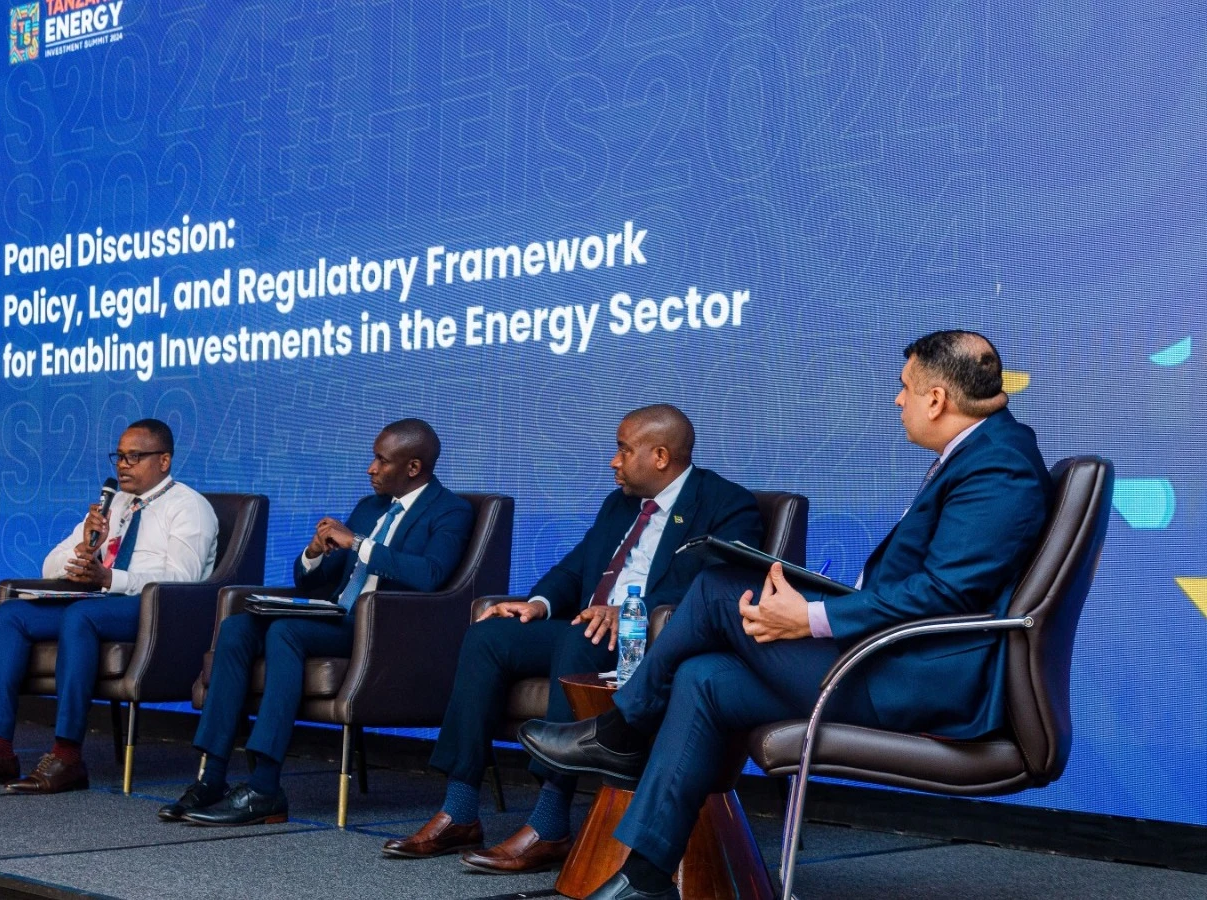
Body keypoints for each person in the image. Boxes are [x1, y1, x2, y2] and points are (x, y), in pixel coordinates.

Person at [521, 331, 1051, 900]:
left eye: (904, 389)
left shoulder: (998, 465)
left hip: (913, 679)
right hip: (888, 658)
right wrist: (815, 606)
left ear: (937, 399)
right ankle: (645, 879)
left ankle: (621, 731)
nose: (898, 401)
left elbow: (946, 593)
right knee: (704, 679)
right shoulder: (984, 453)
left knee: (717, 589)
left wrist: (814, 617)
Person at [384, 404, 763, 872]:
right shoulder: (619, 504)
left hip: (651, 642)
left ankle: (550, 823)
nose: (613, 461)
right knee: (490, 636)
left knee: (578, 639)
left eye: (624, 450)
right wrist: (537, 603)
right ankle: (459, 810)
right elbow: (577, 564)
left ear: (661, 456)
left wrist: (628, 611)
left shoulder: (727, 505)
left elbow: (717, 590)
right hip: (591, 628)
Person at [164, 418, 474, 826]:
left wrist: (358, 543)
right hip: (334, 616)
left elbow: (431, 575)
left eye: (381, 460)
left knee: (286, 630)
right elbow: (317, 579)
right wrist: (314, 553)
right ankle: (212, 778)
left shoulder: (451, 511)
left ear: (413, 467)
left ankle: (264, 787)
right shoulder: (369, 507)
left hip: (382, 631)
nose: (371, 468)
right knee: (238, 627)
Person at [0, 418, 218, 794]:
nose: (122, 465)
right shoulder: (115, 505)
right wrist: (84, 549)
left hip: (156, 613)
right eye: (118, 457)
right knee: (12, 615)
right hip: (100, 603)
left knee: (79, 616)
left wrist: (110, 579)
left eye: (134, 457)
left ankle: (67, 755)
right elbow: (50, 565)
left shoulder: (189, 507)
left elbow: (182, 580)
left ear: (164, 461)